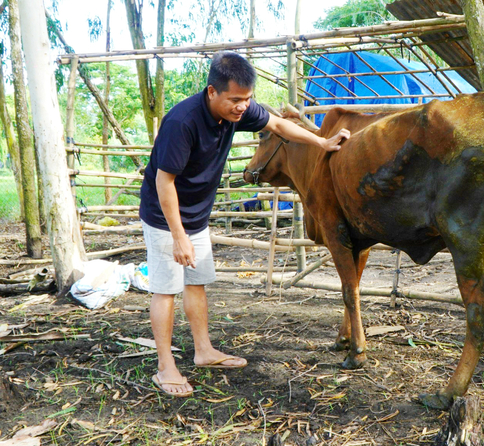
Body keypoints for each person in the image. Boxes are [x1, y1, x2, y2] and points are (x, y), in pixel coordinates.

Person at [139, 51, 350, 397]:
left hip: (197, 214)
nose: (242, 107)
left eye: (247, 99)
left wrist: (321, 141)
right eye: (235, 100)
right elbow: (165, 183)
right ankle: (165, 368)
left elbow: (279, 125)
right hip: (166, 215)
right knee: (166, 288)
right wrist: (178, 236)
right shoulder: (182, 123)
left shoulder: (239, 109)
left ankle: (203, 350)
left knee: (197, 282)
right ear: (212, 92)